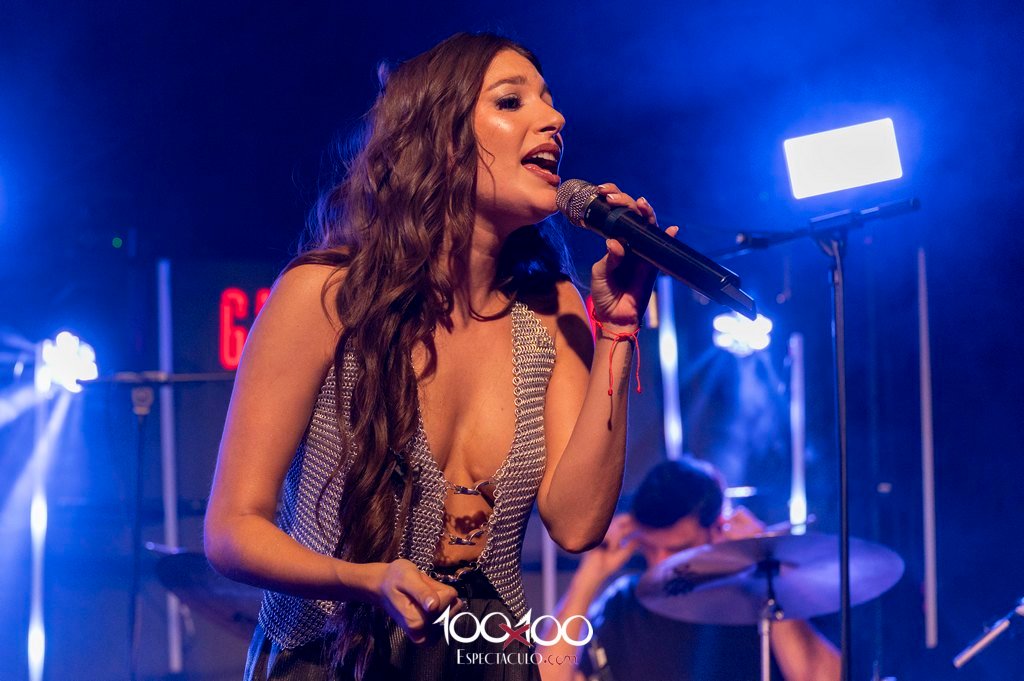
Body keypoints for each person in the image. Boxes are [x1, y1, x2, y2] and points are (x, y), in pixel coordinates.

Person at [203, 32, 678, 680]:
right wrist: (363, 579)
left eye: (549, 100)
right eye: (511, 101)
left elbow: (577, 524)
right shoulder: (326, 295)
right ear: (442, 138)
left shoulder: (553, 308)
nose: (555, 118)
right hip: (332, 655)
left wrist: (618, 330)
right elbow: (231, 529)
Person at [537, 457, 840, 681]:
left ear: (718, 530)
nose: (660, 562)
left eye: (676, 550)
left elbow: (824, 677)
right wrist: (589, 577)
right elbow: (547, 677)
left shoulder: (760, 596)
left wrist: (765, 568)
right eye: (649, 548)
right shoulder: (624, 603)